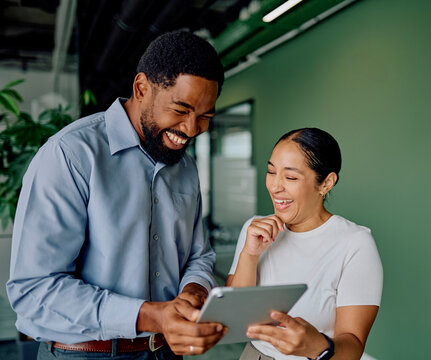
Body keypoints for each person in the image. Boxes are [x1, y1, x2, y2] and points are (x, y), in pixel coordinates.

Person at [7, 30, 228, 359]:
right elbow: (35, 288)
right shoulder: (71, 155)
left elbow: (198, 255)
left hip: (164, 352)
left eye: (205, 116)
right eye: (181, 109)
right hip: (83, 353)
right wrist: (151, 315)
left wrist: (193, 291)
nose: (192, 129)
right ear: (141, 88)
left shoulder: (186, 168)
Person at [227, 128, 383, 360]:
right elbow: (233, 317)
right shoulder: (255, 228)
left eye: (290, 177)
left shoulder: (355, 243)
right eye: (271, 172)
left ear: (326, 183)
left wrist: (316, 346)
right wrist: (249, 255)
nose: (275, 186)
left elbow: (353, 345)